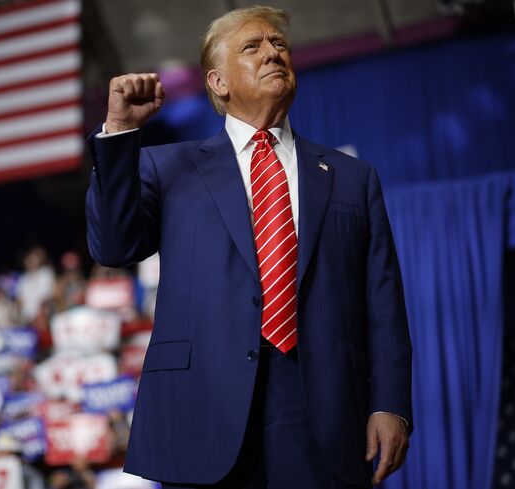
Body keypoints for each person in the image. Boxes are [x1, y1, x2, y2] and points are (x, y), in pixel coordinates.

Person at [85, 5, 412, 489]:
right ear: (218, 82)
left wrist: (391, 404)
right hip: (202, 406)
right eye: (252, 47)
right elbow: (112, 246)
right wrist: (120, 133)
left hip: (321, 405)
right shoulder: (167, 167)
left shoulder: (351, 177)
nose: (272, 53)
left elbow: (383, 303)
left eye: (279, 44)